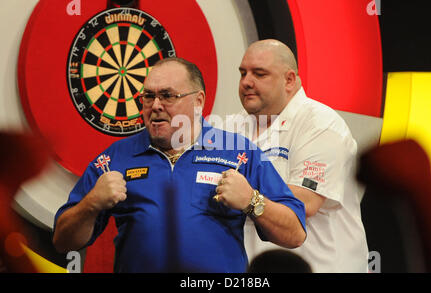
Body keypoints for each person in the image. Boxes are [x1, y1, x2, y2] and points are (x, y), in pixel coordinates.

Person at [52, 57, 306, 273]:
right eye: (148, 96)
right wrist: (90, 204)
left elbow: (294, 233)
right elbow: (62, 241)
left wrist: (252, 200)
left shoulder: (239, 152)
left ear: (198, 101)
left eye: (167, 96)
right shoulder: (114, 159)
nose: (156, 106)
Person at [226, 39, 368, 273]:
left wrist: (245, 195)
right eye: (243, 73)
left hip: (322, 267)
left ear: (289, 80)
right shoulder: (231, 126)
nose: (246, 82)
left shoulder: (320, 124)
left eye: (259, 74)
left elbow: (304, 203)